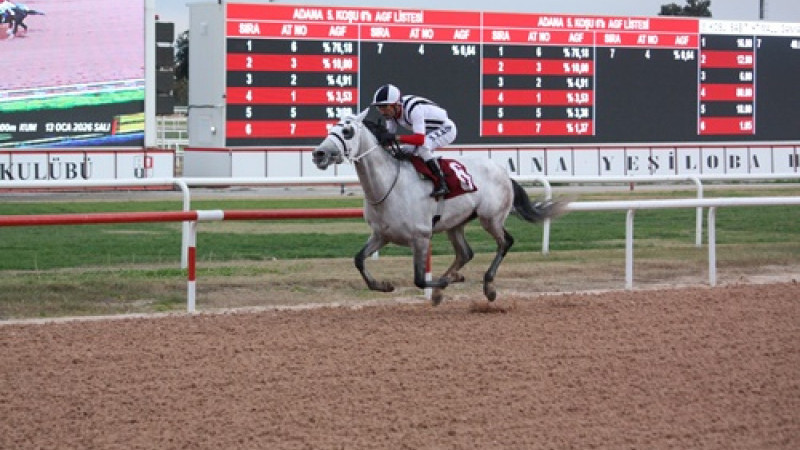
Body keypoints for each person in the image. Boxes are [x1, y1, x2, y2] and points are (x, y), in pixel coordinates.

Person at [371, 83, 457, 198]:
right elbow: (389, 139)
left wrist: (395, 138)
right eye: (379, 107)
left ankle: (442, 182)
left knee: (423, 147)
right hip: (428, 132)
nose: (382, 111)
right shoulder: (392, 114)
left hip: (446, 128)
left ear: (396, 105)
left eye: (385, 107)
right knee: (405, 150)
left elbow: (419, 139)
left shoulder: (414, 109)